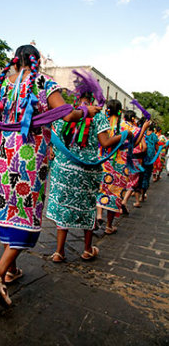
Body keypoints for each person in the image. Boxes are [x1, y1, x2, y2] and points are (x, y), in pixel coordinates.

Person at [0, 45, 101, 307]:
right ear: (38, 61)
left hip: (2, 156)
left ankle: (11, 269)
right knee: (26, 210)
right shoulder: (42, 82)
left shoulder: (1, 84)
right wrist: (87, 112)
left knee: (9, 208)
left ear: (16, 61)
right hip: (30, 157)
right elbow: (67, 114)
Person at [46, 89, 131, 262]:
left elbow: (52, 136)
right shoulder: (98, 117)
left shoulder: (67, 113)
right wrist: (124, 135)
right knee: (88, 207)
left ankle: (59, 252)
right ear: (94, 99)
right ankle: (87, 250)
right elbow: (105, 143)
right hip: (87, 170)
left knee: (63, 207)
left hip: (63, 169)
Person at [96, 100, 133, 234]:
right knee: (115, 194)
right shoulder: (126, 127)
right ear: (120, 111)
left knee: (101, 190)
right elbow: (136, 142)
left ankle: (98, 216)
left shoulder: (102, 123)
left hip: (103, 161)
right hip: (119, 165)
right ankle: (109, 226)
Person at [139, 123, 158, 201]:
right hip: (149, 159)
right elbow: (156, 147)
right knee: (146, 176)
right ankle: (142, 195)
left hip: (140, 158)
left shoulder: (141, 133)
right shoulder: (154, 136)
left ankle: (137, 193)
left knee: (139, 176)